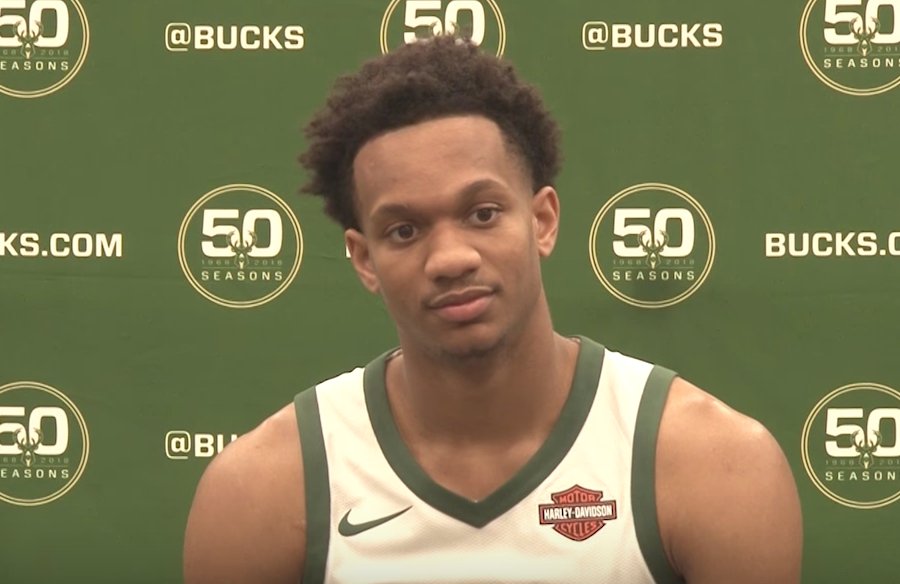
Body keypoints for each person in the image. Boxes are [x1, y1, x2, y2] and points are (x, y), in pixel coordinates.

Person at [182, 34, 803, 584]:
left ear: (542, 220)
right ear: (364, 259)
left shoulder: (713, 465)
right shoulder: (264, 490)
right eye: (404, 230)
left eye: (482, 213)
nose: (450, 258)